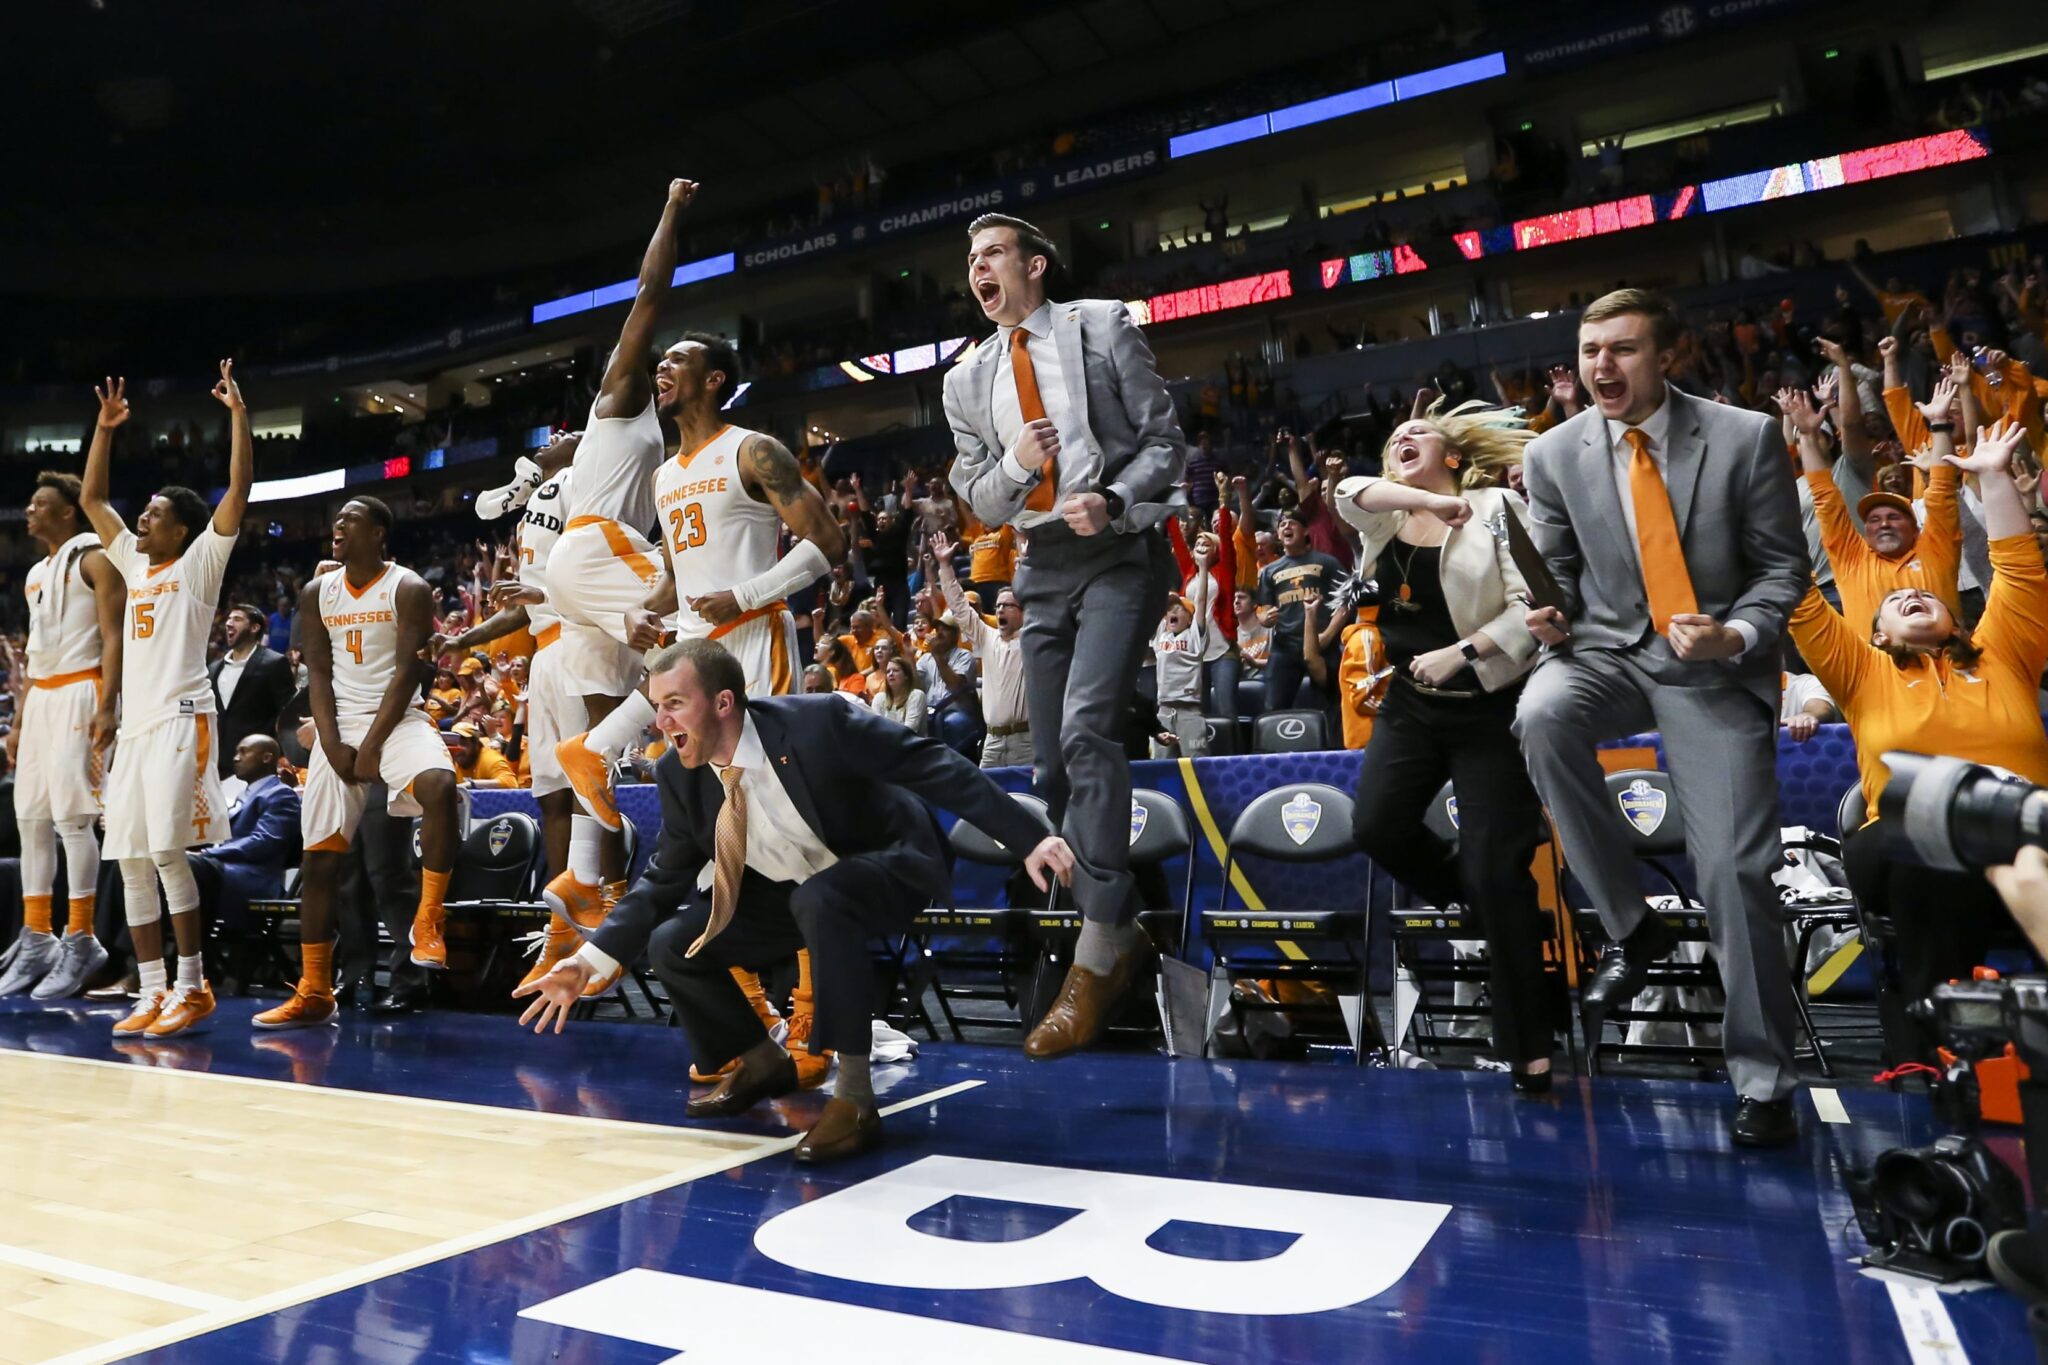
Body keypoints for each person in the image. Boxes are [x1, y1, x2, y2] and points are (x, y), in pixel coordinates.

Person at [514, 639, 1074, 1162]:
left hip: (890, 865)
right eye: (657, 706)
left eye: (675, 704)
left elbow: (932, 765)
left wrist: (1026, 836)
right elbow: (663, 881)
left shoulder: (819, 722)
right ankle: (763, 1063)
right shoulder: (677, 775)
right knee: (674, 942)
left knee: (821, 898)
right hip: (797, 890)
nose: (660, 723)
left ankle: (855, 1097)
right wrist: (587, 962)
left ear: (724, 702)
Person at [1515, 289, 1809, 1147]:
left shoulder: (1744, 436)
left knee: (1734, 872)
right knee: (1541, 710)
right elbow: (1559, 577)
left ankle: (1762, 1079)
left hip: (1710, 665)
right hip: (1608, 651)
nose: (1601, 365)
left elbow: (1783, 572)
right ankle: (1630, 924)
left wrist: (1737, 632)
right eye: (1589, 349)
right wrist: (1548, 616)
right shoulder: (1552, 454)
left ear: (1668, 355)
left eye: (1623, 349)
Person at [945, 213, 1187, 1060]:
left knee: (1088, 730)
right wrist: (1015, 465)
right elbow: (981, 495)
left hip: (1121, 547)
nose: (979, 268)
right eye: (971, 260)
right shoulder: (965, 380)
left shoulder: (1102, 325)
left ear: (1035, 265)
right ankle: (1121, 929)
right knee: (1046, 764)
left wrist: (1115, 500)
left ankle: (1102, 937)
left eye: (993, 255)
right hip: (1040, 561)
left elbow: (1166, 442)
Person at [1787, 418, 2046, 1060]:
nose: (1909, 595)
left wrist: (1989, 475)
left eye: (1923, 595)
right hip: (1909, 839)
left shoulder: (2004, 652)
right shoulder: (1862, 671)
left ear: (1954, 614)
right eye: (1893, 604)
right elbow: (1796, 599)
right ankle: (1943, 1051)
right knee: (1930, 848)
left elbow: (2019, 568)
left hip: (2025, 828)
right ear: (1875, 636)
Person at [1334, 401, 1558, 1090]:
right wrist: (1431, 502)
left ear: (1455, 456)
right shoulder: (1386, 515)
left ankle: (1530, 1050)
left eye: (1420, 432)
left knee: (1499, 869)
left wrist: (1463, 651)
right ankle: (1483, 900)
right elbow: (1348, 493)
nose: (1402, 435)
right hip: (1411, 704)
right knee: (1375, 826)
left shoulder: (1495, 508)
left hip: (1491, 705)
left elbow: (1537, 608)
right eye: (1395, 433)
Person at [556, 323, 844, 830]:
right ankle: (726, 893)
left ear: (713, 379)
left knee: (772, 789)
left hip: (754, 634)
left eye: (677, 360)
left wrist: (742, 595)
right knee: (710, 797)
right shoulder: (663, 476)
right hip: (694, 651)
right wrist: (641, 608)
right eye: (661, 360)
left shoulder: (753, 450)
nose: (661, 366)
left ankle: (809, 888)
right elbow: (675, 577)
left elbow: (828, 542)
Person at [83, 364, 254, 1039]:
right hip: (136, 728)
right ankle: (152, 989)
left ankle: (194, 984)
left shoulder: (198, 564)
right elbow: (94, 499)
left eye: (154, 514)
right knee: (127, 856)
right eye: (144, 513)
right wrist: (103, 431)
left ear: (181, 530)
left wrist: (237, 414)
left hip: (184, 719)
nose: (141, 518)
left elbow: (240, 487)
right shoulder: (131, 561)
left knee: (166, 854)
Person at [254, 499, 463, 1029]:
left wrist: (371, 745)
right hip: (338, 725)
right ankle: (315, 989)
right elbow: (317, 676)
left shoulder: (408, 587)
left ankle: (429, 918)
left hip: (396, 719)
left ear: (378, 532)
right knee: (322, 864)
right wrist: (331, 741)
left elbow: (410, 675)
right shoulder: (314, 592)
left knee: (439, 786)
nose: (337, 528)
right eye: (335, 522)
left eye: (349, 521)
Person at [438, 430, 631, 998]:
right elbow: (529, 605)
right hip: (546, 650)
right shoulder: (533, 509)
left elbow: (587, 577)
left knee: (589, 787)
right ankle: (561, 927)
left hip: (581, 639)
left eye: (571, 432)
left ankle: (612, 920)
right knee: (549, 793)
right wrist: (466, 638)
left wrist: (535, 597)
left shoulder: (585, 485)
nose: (556, 436)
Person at [0, 471, 123, 999]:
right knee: (30, 816)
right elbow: (33, 657)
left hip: (81, 690)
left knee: (74, 819)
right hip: (44, 696)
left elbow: (116, 634)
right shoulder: (35, 573)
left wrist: (109, 703)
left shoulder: (95, 556)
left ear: (68, 511)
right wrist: (21, 719)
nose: (29, 511)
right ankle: (38, 934)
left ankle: (81, 934)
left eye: (39, 503)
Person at [1783, 379, 1959, 625]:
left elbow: (1942, 492)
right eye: (1874, 520)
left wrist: (1940, 425)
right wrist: (1805, 434)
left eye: (1894, 517)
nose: (1884, 524)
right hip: (1833, 602)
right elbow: (1825, 499)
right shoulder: (1852, 561)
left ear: (1916, 528)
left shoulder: (1936, 551)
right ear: (1865, 530)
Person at [929, 533, 1029, 769]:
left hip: (1026, 741)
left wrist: (1025, 563)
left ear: (1024, 612)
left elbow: (1039, 600)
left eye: (1009, 605)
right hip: (992, 741)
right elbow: (959, 606)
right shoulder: (987, 638)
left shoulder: (1031, 639)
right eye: (999, 605)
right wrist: (944, 565)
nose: (1002, 608)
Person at [187, 734, 300, 939]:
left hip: (251, 878)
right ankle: (121, 954)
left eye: (244, 752)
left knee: (186, 866)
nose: (236, 758)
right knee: (145, 865)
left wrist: (208, 853)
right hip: (223, 871)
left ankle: (187, 952)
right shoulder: (243, 795)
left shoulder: (280, 794)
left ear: (267, 757)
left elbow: (264, 842)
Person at [1256, 509, 1345, 713]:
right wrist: (1264, 618)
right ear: (1278, 535)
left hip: (1322, 643)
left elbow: (1346, 601)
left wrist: (1328, 635)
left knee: (1333, 706)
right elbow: (1264, 608)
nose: (1286, 526)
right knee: (1273, 707)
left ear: (1306, 531)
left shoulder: (1327, 562)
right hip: (1285, 646)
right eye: (1282, 524)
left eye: (1292, 523)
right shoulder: (1269, 570)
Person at [209, 602, 295, 782]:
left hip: (258, 764)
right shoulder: (214, 668)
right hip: (218, 764)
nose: (229, 623)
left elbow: (289, 712)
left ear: (255, 627)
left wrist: (283, 755)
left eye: (237, 619)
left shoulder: (274, 663)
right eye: (229, 619)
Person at [1150, 579, 1209, 759]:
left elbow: (1201, 601)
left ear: (1190, 618)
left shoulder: (1194, 637)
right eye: (1169, 610)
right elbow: (1155, 604)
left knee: (1197, 763)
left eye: (1180, 608)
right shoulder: (1162, 636)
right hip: (1164, 712)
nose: (1173, 611)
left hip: (1189, 712)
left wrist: (1203, 566)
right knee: (1161, 765)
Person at [449, 722, 521, 788]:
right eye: (454, 744)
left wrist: (472, 784)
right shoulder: (450, 758)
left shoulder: (489, 758)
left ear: (476, 744)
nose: (458, 749)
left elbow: (511, 784)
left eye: (463, 743)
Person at [868, 655, 927, 734]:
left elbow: (910, 730)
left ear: (906, 676)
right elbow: (875, 727)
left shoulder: (916, 695)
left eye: (895, 670)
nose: (891, 674)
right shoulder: (879, 698)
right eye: (888, 671)